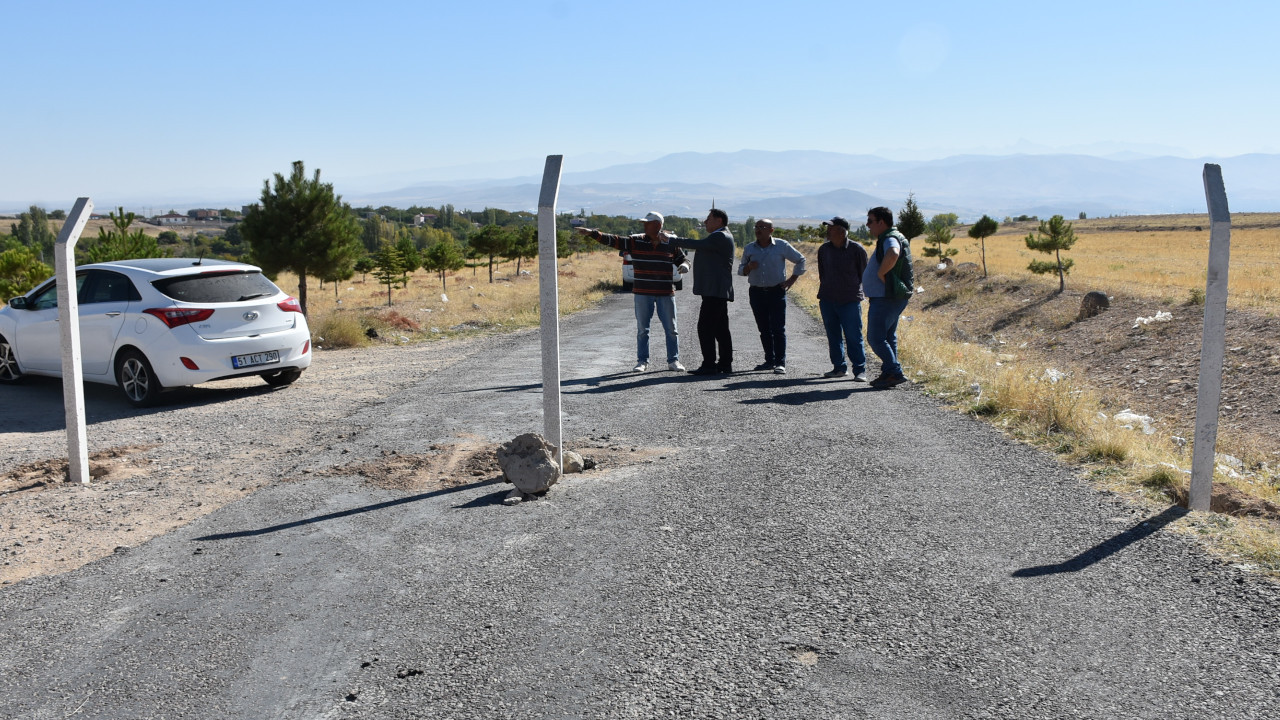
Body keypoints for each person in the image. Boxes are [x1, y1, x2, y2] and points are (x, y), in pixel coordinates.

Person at [576, 212, 689, 372]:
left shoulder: (670, 243)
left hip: (665, 292)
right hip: (643, 292)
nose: (644, 226)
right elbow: (614, 240)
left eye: (647, 223)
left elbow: (683, 259)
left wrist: (685, 266)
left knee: (671, 329)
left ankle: (674, 361)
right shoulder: (635, 241)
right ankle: (642, 361)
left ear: (657, 225)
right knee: (643, 329)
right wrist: (592, 233)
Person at [665, 208, 735, 375]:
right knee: (720, 328)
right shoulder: (721, 235)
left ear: (719, 221)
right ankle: (725, 364)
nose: (705, 222)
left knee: (705, 327)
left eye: (708, 219)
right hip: (717, 290)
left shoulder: (720, 236)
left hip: (714, 291)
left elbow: (698, 245)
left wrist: (672, 240)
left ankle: (709, 364)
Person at [738, 218, 806, 374]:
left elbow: (800, 260)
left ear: (771, 230)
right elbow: (741, 270)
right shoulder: (749, 248)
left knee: (778, 328)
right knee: (764, 329)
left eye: (762, 227)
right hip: (756, 292)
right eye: (756, 227)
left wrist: (792, 279)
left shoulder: (781, 246)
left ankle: (780, 362)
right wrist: (748, 267)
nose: (758, 230)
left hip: (776, 291)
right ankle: (769, 360)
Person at [863, 206, 912, 388]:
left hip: (886, 296)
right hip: (890, 296)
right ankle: (888, 373)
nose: (868, 225)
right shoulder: (890, 236)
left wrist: (882, 274)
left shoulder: (890, 238)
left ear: (881, 222)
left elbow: (893, 253)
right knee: (888, 336)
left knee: (875, 338)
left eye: (870, 221)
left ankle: (894, 371)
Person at [816, 216, 868, 381]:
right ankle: (839, 368)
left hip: (849, 300)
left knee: (853, 335)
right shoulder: (824, 250)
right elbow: (822, 273)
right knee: (833, 335)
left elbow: (864, 275)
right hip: (827, 299)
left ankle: (860, 370)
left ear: (842, 231)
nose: (828, 231)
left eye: (831, 228)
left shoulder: (857, 249)